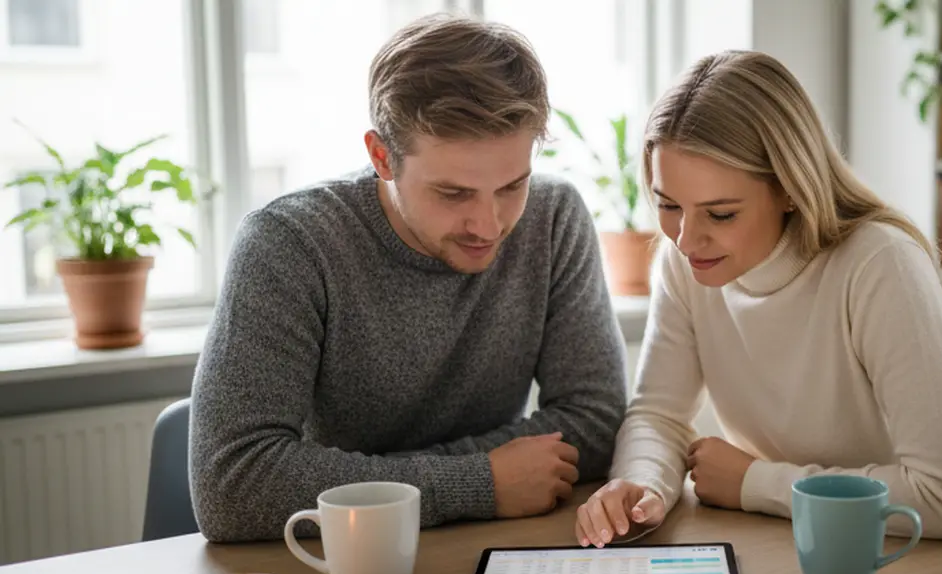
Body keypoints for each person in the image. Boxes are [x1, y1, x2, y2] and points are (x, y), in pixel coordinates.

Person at [189, 13, 628, 543]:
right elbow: (232, 485)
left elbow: (597, 422)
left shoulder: (553, 218)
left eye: (512, 186)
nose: (489, 225)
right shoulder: (289, 244)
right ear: (382, 156)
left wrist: (395, 480)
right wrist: (478, 481)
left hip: (482, 548)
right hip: (338, 560)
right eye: (453, 193)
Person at [573, 50, 942, 549]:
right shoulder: (684, 264)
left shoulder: (880, 264)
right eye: (668, 205)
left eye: (721, 214)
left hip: (931, 560)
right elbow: (659, 416)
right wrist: (641, 484)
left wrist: (756, 483)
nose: (687, 239)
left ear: (789, 189)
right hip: (799, 545)